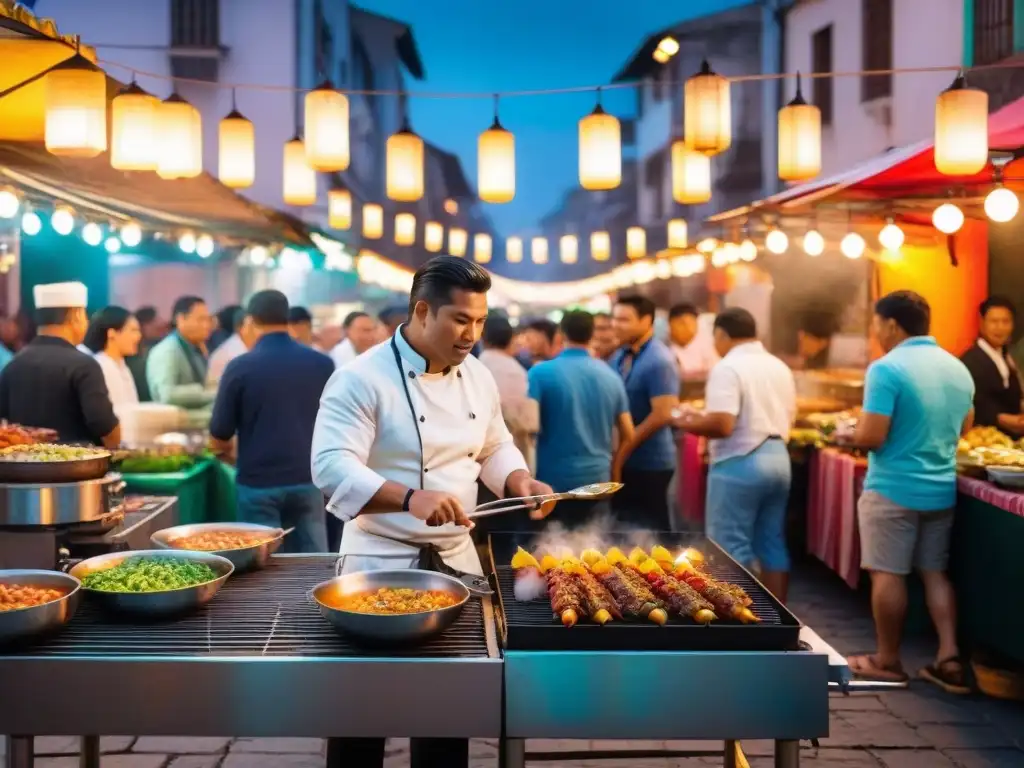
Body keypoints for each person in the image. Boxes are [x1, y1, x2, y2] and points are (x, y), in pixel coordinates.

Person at [312, 257, 554, 768]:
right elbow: (331, 465)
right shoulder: (360, 377)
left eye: (481, 321)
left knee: (448, 712)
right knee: (362, 712)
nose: (472, 334)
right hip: (378, 564)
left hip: (455, 564)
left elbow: (494, 446)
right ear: (422, 311)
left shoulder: (478, 376)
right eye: (461, 320)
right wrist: (409, 496)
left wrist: (519, 479)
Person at [844, 291, 974, 693]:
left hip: (893, 490)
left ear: (892, 325)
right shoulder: (957, 368)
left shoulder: (886, 369)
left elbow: (872, 435)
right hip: (940, 489)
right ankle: (948, 656)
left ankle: (887, 660)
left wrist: (849, 433)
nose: (874, 331)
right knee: (935, 573)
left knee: (888, 573)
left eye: (876, 323)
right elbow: (965, 429)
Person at [674, 308, 796, 601]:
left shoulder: (728, 367)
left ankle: (739, 619)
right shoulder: (778, 366)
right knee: (772, 543)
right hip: (779, 458)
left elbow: (722, 424)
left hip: (740, 462)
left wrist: (682, 420)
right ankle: (778, 620)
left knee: (729, 547)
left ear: (722, 335)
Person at [210, 290, 334, 553]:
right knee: (313, 565)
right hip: (309, 477)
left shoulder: (240, 366)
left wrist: (226, 453)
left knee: (263, 565)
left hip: (258, 482)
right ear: (287, 317)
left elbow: (220, 432)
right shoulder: (322, 364)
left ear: (252, 320)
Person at [529, 310, 634, 526]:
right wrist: (615, 469)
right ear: (592, 334)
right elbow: (629, 433)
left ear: (561, 335)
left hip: (552, 484)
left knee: (552, 552)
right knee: (594, 551)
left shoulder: (540, 373)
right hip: (598, 480)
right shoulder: (611, 376)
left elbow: (528, 429)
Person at [0, 282, 119, 448]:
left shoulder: (12, 365)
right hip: (76, 470)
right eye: (85, 316)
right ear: (76, 316)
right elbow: (106, 428)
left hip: (23, 469)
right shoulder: (84, 365)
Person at [609, 295, 680, 529]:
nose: (615, 325)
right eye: (614, 318)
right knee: (625, 533)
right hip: (628, 460)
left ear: (646, 320)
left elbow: (663, 414)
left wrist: (623, 451)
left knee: (653, 534)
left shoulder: (659, 359)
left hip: (651, 463)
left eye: (624, 320)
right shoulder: (620, 355)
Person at [479, 315, 538, 474]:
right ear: (511, 339)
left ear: (482, 338)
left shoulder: (476, 367)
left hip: (479, 457)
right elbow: (530, 423)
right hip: (513, 458)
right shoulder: (517, 371)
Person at [960, 296, 1023, 433]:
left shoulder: (1007, 356)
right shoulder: (970, 360)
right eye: (994, 321)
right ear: (982, 323)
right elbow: (974, 404)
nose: (1000, 328)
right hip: (984, 442)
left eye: (1006, 321)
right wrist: (1002, 418)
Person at [146, 296, 215, 409]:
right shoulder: (167, 350)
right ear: (181, 319)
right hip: (174, 424)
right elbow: (167, 394)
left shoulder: (196, 347)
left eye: (208, 320)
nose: (207, 325)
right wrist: (209, 393)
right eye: (201, 319)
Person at [82, 306, 142, 418]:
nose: (138, 336)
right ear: (112, 333)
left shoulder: (121, 365)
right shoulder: (101, 366)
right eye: (133, 330)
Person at [207, 308, 256, 386]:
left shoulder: (248, 346)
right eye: (251, 326)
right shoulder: (232, 353)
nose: (256, 330)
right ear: (239, 328)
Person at [668, 302, 718, 378]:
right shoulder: (663, 350)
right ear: (670, 324)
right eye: (682, 324)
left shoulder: (709, 350)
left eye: (692, 324)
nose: (689, 329)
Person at [126, 306, 166, 402]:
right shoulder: (133, 357)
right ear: (144, 325)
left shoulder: (152, 349)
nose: (160, 325)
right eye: (155, 323)